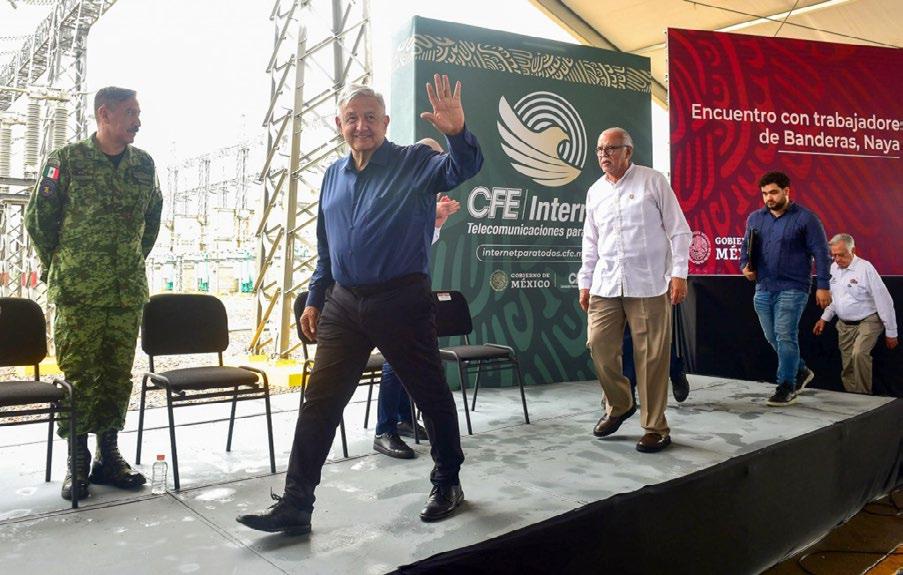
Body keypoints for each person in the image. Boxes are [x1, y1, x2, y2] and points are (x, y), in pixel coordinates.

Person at [237, 76, 482, 535]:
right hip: (344, 303)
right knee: (320, 403)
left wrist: (456, 133)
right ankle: (296, 503)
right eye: (352, 118)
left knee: (429, 394)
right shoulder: (333, 174)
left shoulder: (414, 161)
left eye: (370, 117)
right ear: (339, 124)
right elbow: (326, 246)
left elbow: (461, 167)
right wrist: (315, 298)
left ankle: (448, 482)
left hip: (401, 300)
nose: (361, 125)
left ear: (385, 122)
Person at [25, 86, 163, 501]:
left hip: (125, 292)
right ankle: (77, 461)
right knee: (80, 376)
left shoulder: (144, 164)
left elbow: (151, 221)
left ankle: (109, 455)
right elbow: (39, 220)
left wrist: (128, 260)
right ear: (105, 114)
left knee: (117, 376)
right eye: (130, 113)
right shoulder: (67, 160)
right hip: (77, 291)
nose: (138, 121)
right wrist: (63, 264)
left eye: (138, 112)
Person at [578, 127, 690, 454]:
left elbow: (679, 231)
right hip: (606, 282)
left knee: (652, 357)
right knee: (599, 345)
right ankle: (620, 403)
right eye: (600, 149)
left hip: (649, 282)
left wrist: (679, 274)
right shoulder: (595, 191)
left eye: (611, 148)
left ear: (628, 151)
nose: (604, 155)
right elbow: (590, 241)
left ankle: (655, 428)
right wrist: (585, 281)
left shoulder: (653, 181)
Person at [374, 180, 460, 459]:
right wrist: (428, 213)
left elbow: (417, 243)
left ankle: (403, 419)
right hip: (385, 295)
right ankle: (384, 430)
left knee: (409, 359)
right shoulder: (388, 193)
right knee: (395, 361)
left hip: (411, 296)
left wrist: (436, 223)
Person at [741, 171, 831, 406]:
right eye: (764, 194)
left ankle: (786, 386)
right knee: (772, 337)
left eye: (773, 192)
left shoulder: (806, 219)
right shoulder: (755, 218)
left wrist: (823, 285)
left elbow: (822, 253)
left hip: (794, 286)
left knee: (784, 335)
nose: (768, 198)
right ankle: (800, 370)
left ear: (786, 191)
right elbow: (745, 249)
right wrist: (745, 267)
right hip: (763, 287)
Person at [813, 233, 898, 394]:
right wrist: (824, 318)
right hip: (844, 325)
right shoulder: (833, 268)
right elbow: (836, 299)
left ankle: (865, 398)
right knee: (848, 365)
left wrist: (891, 332)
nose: (837, 259)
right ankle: (853, 398)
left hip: (868, 320)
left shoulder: (865, 268)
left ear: (853, 250)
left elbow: (884, 301)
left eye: (841, 255)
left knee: (859, 354)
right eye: (834, 255)